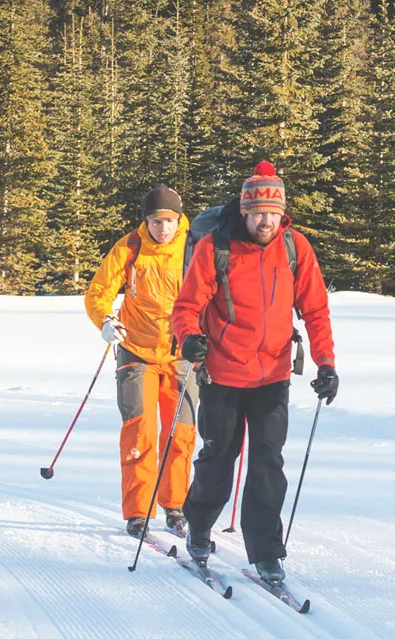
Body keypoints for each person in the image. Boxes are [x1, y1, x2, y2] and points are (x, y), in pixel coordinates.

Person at [172, 161, 338, 586]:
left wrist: (326, 363)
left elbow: (315, 310)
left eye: (273, 213)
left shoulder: (294, 247)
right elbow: (187, 306)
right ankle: (200, 527)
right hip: (223, 374)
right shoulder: (215, 248)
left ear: (283, 214)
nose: (265, 221)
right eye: (258, 212)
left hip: (273, 377)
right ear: (244, 212)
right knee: (217, 460)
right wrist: (189, 338)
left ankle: (266, 552)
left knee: (267, 465)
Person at [83, 185, 198, 537]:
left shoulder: (195, 248)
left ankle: (174, 504)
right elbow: (99, 291)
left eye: (168, 221)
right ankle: (137, 510)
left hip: (183, 354)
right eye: (155, 221)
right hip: (137, 352)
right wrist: (105, 320)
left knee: (181, 434)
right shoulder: (130, 247)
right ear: (145, 221)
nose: (162, 228)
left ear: (179, 219)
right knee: (141, 431)